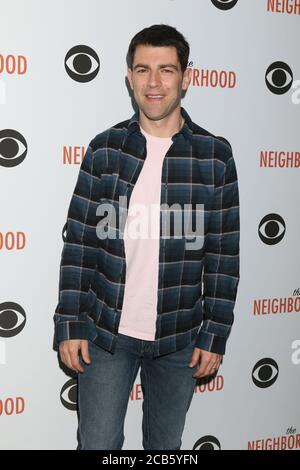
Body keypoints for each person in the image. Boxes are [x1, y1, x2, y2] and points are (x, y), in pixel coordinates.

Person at [53, 24, 240, 450]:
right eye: (143, 70)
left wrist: (215, 334)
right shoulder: (105, 149)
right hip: (105, 335)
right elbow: (80, 243)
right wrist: (69, 323)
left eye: (166, 70)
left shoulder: (215, 156)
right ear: (129, 77)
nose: (154, 83)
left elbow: (224, 255)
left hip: (180, 338)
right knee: (97, 447)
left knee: (165, 449)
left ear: (186, 77)